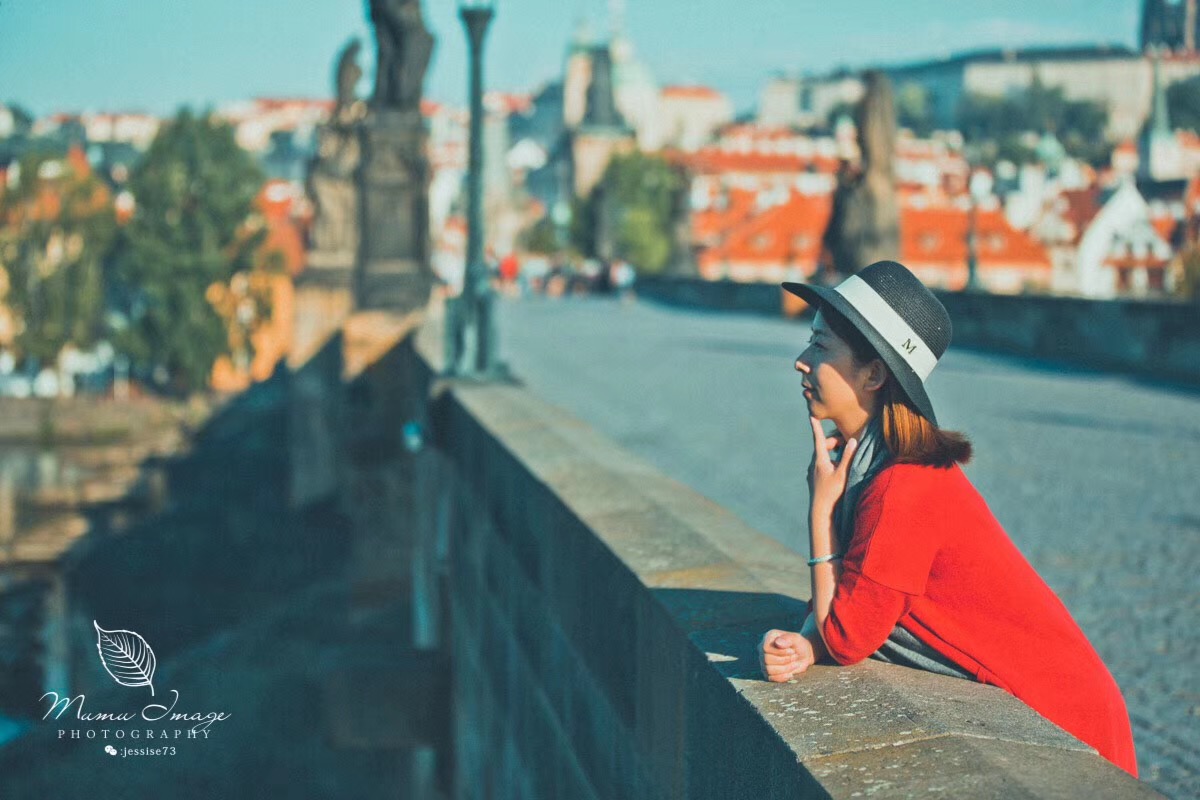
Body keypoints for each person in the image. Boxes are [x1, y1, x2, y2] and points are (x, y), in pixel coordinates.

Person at [756, 260, 1138, 777]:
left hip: (1066, 721)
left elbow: (847, 638)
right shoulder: (876, 465)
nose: (801, 361)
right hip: (1047, 708)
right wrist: (805, 640)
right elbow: (857, 596)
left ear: (873, 375)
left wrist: (820, 511)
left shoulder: (902, 484)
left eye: (821, 347)